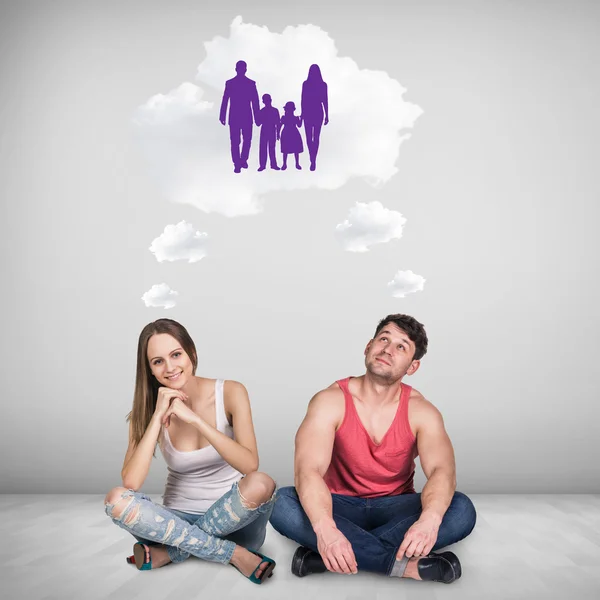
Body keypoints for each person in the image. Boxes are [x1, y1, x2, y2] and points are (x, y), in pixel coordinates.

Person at [270, 314, 476, 584]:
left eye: (401, 347)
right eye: (384, 339)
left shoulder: (422, 411)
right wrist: (326, 529)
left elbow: (442, 471)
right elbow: (308, 470)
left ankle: (327, 558)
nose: (388, 350)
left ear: (412, 367)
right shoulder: (329, 401)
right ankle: (402, 566)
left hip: (396, 507)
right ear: (368, 347)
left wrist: (428, 521)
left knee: (460, 508)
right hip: (336, 504)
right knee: (280, 503)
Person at [104, 318, 277, 585]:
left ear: (192, 354)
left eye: (176, 355)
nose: (170, 367)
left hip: (236, 523)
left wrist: (196, 420)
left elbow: (249, 465)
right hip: (173, 524)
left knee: (262, 482)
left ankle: (169, 554)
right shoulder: (147, 411)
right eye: (158, 361)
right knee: (116, 499)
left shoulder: (231, 391)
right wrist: (157, 414)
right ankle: (231, 554)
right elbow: (131, 483)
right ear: (149, 369)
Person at [219, 60, 260, 174]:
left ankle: (242, 161)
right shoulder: (231, 83)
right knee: (236, 141)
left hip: (243, 115)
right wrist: (222, 114)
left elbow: (255, 102)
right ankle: (238, 162)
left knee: (245, 140)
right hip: (237, 116)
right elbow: (225, 100)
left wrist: (257, 117)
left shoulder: (250, 84)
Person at [300, 64, 328, 171]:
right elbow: (303, 99)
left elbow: (325, 100)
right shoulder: (310, 84)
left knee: (312, 138)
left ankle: (313, 159)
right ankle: (313, 158)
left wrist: (327, 115)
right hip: (313, 112)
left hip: (312, 112)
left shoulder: (311, 84)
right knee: (313, 138)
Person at [256, 94, 281, 172]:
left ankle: (271, 165)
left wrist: (278, 133)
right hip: (267, 130)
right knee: (265, 148)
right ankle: (264, 165)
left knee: (270, 148)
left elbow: (278, 123)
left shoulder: (270, 111)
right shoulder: (269, 111)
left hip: (270, 130)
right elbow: (258, 123)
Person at [279, 101, 303, 170]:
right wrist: (277, 133)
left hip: (292, 133)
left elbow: (299, 125)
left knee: (295, 150)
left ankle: (296, 163)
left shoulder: (295, 118)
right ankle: (285, 164)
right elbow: (280, 125)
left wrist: (301, 118)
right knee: (285, 150)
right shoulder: (284, 117)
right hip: (288, 133)